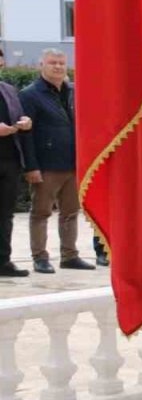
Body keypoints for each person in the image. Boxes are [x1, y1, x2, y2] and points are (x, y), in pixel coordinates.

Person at [19, 49, 96, 274]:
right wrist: (31, 166)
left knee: (71, 212)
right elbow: (26, 135)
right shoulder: (30, 95)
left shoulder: (73, 91)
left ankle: (69, 255)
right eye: (53, 63)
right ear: (41, 65)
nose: (58, 67)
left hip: (73, 163)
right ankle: (40, 257)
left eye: (62, 63)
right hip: (46, 165)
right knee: (41, 212)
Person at [0, 48, 33, 278]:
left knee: (6, 214)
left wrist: (25, 121)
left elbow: (19, 114)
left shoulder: (9, 89)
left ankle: (3, 261)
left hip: (9, 159)